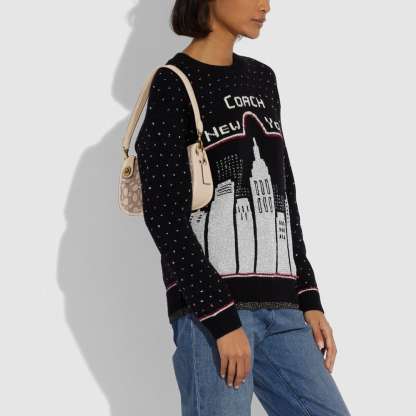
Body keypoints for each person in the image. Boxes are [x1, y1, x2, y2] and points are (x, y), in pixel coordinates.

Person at [134, 0, 351, 415]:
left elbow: (284, 193)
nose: (265, 6)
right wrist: (220, 318)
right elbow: (163, 215)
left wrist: (308, 296)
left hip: (284, 308)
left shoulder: (262, 79)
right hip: (212, 312)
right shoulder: (173, 83)